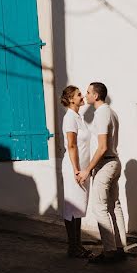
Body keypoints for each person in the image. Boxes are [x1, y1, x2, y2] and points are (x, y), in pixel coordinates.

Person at [77, 82, 126, 263]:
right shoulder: (111, 112)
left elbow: (103, 146)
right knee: (114, 206)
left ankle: (109, 251)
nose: (86, 95)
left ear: (96, 96)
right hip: (114, 162)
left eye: (88, 92)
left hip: (105, 164)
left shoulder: (101, 113)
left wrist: (87, 170)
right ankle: (120, 248)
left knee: (100, 207)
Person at [60, 85, 91, 258]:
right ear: (71, 99)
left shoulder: (79, 117)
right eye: (79, 94)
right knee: (72, 206)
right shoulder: (70, 118)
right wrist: (76, 169)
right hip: (74, 167)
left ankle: (77, 245)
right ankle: (72, 247)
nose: (82, 96)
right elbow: (71, 145)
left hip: (82, 168)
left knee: (78, 206)